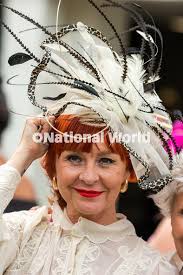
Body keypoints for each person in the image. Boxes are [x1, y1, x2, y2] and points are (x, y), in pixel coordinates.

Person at [0, 1, 180, 274]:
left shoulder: (152, 268)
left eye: (106, 161)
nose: (89, 176)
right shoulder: (18, 233)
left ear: (126, 173)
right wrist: (21, 156)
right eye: (74, 157)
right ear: (52, 167)